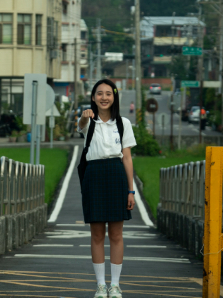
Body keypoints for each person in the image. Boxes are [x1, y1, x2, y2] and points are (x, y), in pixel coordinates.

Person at [77, 79, 137, 298]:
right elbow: (81, 126)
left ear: (114, 97)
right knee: (96, 234)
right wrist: (84, 116)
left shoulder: (123, 123)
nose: (104, 97)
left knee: (116, 233)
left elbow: (127, 158)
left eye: (108, 94)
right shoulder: (87, 121)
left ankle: (115, 286)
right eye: (99, 94)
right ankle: (100, 286)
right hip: (93, 175)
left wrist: (131, 191)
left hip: (116, 174)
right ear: (93, 97)